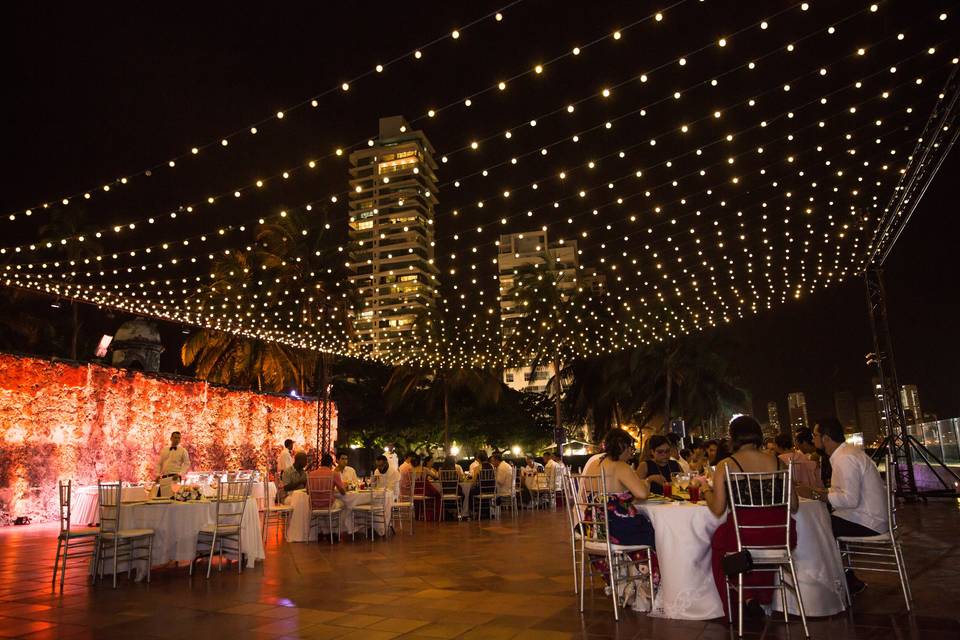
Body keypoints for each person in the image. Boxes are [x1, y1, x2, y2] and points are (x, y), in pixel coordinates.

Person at [700, 415, 798, 620]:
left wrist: (705, 492)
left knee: (720, 542)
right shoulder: (778, 462)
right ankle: (756, 597)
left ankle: (744, 599)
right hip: (780, 536)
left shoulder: (727, 464)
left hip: (744, 536)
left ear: (733, 437)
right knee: (742, 545)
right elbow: (794, 505)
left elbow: (718, 509)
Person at [797, 418, 887, 595]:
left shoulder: (845, 458)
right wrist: (818, 491)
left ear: (826, 438)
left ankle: (827, 584)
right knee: (821, 524)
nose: (813, 439)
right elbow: (844, 492)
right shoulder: (846, 454)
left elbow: (849, 500)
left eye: (815, 435)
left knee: (816, 528)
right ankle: (844, 578)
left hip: (868, 521)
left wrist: (815, 494)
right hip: (867, 515)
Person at [582, 427, 654, 547]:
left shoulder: (594, 464)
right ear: (623, 446)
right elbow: (642, 494)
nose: (632, 452)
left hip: (592, 526)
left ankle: (621, 564)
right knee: (655, 529)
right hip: (616, 527)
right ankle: (638, 564)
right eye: (631, 447)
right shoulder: (620, 466)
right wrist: (646, 483)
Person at [155, 431, 190, 496]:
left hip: (175, 478)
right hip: (164, 477)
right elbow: (159, 463)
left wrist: (179, 474)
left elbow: (187, 464)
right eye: (175, 437)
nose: (177, 439)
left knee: (174, 498)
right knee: (162, 499)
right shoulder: (164, 450)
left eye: (178, 438)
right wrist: (157, 474)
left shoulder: (183, 450)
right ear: (171, 438)